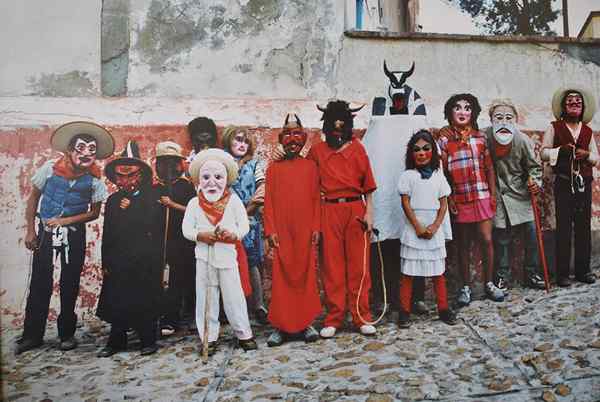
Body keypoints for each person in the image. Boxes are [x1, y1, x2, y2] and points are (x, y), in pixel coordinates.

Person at [17, 121, 114, 355]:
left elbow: (93, 213)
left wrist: (66, 221)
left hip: (73, 234)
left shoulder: (94, 180)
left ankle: (66, 334)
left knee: (70, 282)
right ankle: (32, 335)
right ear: (69, 150)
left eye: (91, 150)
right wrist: (31, 230)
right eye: (80, 148)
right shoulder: (49, 169)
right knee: (40, 281)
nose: (86, 154)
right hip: (46, 233)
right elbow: (33, 200)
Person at [309, 100, 377, 338]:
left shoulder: (358, 149)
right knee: (332, 267)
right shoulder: (316, 151)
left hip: (355, 209)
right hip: (328, 210)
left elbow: (368, 186)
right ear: (326, 125)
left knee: (360, 266)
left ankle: (361, 316)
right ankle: (334, 318)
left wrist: (369, 214)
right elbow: (306, 184)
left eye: (342, 124)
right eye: (333, 125)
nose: (337, 129)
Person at [182, 148, 257, 355]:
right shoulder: (194, 203)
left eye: (218, 177)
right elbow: (187, 229)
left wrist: (234, 235)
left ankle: (244, 334)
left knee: (234, 296)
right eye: (206, 177)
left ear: (226, 179)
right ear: (198, 180)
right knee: (206, 298)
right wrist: (201, 235)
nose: (211, 182)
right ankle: (209, 336)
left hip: (227, 258)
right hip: (204, 259)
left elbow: (244, 225)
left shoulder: (233, 201)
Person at [96, 141, 164, 357]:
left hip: (145, 260)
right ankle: (116, 342)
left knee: (145, 301)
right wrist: (106, 261)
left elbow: (152, 224)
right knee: (118, 300)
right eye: (121, 176)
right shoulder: (113, 200)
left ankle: (147, 340)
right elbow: (108, 233)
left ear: (140, 175)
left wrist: (132, 208)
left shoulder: (151, 198)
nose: (126, 181)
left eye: (131, 175)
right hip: (119, 261)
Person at [438, 93, 502, 305]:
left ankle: (489, 283)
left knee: (486, 239)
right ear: (450, 113)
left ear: (473, 112)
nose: (462, 112)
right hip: (460, 196)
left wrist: (492, 194)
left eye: (467, 108)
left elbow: (489, 167)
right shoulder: (445, 138)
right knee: (462, 243)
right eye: (457, 108)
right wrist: (451, 198)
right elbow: (443, 171)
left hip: (481, 194)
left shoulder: (481, 137)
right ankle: (465, 287)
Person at [263, 114, 321, 346]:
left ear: (303, 138)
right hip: (282, 230)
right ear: (281, 139)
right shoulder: (273, 169)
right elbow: (268, 202)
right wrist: (271, 230)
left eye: (297, 134)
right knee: (281, 276)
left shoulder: (311, 167)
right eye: (287, 134)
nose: (292, 139)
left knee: (306, 275)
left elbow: (317, 199)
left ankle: (305, 323)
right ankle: (281, 326)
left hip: (305, 229)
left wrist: (316, 227)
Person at [397, 130, 457, 328]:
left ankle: (443, 308)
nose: (421, 153)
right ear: (411, 154)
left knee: (438, 272)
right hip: (414, 228)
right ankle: (404, 310)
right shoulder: (407, 176)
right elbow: (405, 203)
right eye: (416, 150)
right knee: (408, 272)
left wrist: (434, 226)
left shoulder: (439, 177)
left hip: (433, 229)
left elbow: (443, 203)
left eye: (426, 148)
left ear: (433, 151)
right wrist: (417, 226)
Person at [484, 100, 546, 290]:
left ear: (515, 120)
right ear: (491, 120)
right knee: (501, 236)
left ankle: (532, 273)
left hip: (520, 193)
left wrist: (535, 182)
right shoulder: (484, 137)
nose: (503, 122)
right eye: (498, 117)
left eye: (508, 118)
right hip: (497, 195)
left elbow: (535, 168)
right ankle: (502, 275)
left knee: (531, 233)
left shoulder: (522, 140)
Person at [540, 87, 598, 287]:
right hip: (564, 183)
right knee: (564, 228)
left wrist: (586, 155)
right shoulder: (554, 127)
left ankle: (583, 271)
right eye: (570, 101)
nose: (575, 103)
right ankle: (562, 274)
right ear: (564, 106)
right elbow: (543, 153)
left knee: (583, 227)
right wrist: (560, 151)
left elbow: (596, 158)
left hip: (584, 184)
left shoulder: (588, 131)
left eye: (578, 101)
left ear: (582, 108)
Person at [222, 127, 268, 323]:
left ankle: (258, 305)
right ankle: (229, 307)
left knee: (253, 262)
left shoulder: (255, 165)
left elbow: (261, 191)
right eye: (238, 140)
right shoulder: (223, 164)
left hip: (250, 219)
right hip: (226, 217)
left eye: (246, 142)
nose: (242, 145)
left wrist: (246, 212)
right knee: (228, 261)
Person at [153, 141, 197, 334]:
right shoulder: (154, 187)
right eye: (164, 163)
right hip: (160, 241)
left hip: (183, 241)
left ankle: (187, 315)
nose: (169, 168)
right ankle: (166, 317)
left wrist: (172, 205)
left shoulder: (186, 187)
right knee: (163, 281)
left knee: (185, 278)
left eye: (173, 163)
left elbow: (195, 211)